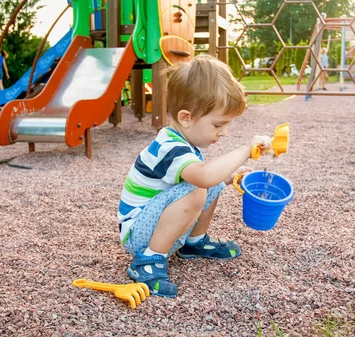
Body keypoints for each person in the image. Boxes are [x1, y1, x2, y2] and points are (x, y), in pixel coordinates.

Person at [117, 54, 272, 298]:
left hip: (156, 220)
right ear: (186, 118)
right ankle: (147, 260)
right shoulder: (170, 146)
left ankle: (193, 242)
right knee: (200, 185)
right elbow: (202, 177)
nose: (224, 133)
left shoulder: (184, 142)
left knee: (211, 183)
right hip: (137, 234)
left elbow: (208, 178)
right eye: (218, 125)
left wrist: (228, 177)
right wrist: (245, 151)